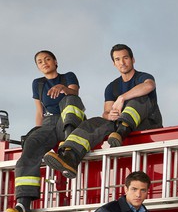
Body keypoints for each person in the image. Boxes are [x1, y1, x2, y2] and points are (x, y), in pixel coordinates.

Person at [44, 44, 163, 178]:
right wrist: (110, 115)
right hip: (117, 129)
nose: (122, 62)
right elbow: (106, 112)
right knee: (94, 122)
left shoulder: (143, 77)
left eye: (125, 58)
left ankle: (122, 131)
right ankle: (70, 157)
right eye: (117, 59)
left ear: (133, 59)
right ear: (114, 63)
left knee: (138, 98)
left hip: (147, 123)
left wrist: (122, 98)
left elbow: (149, 85)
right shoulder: (111, 87)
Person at [5, 51, 86, 212]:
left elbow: (74, 95)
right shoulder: (38, 83)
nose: (44, 63)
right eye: (40, 61)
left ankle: (68, 152)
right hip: (49, 124)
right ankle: (23, 204)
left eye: (47, 59)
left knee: (69, 101)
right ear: (38, 67)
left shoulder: (68, 76)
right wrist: (38, 132)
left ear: (55, 61)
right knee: (31, 146)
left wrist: (63, 88)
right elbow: (39, 112)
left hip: (71, 119)